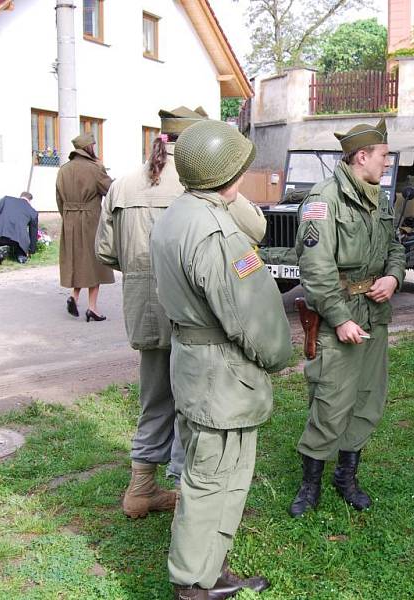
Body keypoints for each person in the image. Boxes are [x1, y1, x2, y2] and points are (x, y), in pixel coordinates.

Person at [150, 119, 292, 599]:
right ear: (230, 172)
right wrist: (277, 356)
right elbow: (252, 313)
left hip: (194, 363)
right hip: (222, 374)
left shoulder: (177, 213)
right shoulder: (218, 234)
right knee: (214, 479)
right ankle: (193, 582)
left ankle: (210, 568)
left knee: (207, 470)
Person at [288, 118, 406, 518]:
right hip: (340, 315)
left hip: (374, 314)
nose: (387, 163)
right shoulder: (324, 200)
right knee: (331, 400)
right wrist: (338, 319)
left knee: (367, 398)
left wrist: (392, 277)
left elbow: (396, 248)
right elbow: (316, 268)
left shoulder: (379, 199)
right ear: (361, 157)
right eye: (384, 156)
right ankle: (310, 484)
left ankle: (346, 477)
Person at [95, 106, 208, 519]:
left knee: (153, 398)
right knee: (190, 401)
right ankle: (184, 491)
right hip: (191, 311)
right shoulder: (203, 182)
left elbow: (106, 252)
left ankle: (140, 490)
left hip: (143, 310)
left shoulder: (122, 185)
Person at [56, 132, 114, 322]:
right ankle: (92, 308)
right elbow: (111, 190)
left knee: (77, 261)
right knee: (94, 262)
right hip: (91, 219)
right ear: (89, 148)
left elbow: (59, 199)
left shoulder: (63, 170)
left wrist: (67, 216)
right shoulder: (95, 169)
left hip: (70, 219)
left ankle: (74, 296)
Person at [0, 191, 38, 264]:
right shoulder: (33, 211)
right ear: (30, 201)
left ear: (20, 196)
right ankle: (21, 257)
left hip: (0, 233)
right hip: (18, 240)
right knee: (20, 244)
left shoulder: (7, 199)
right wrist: (31, 250)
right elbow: (33, 232)